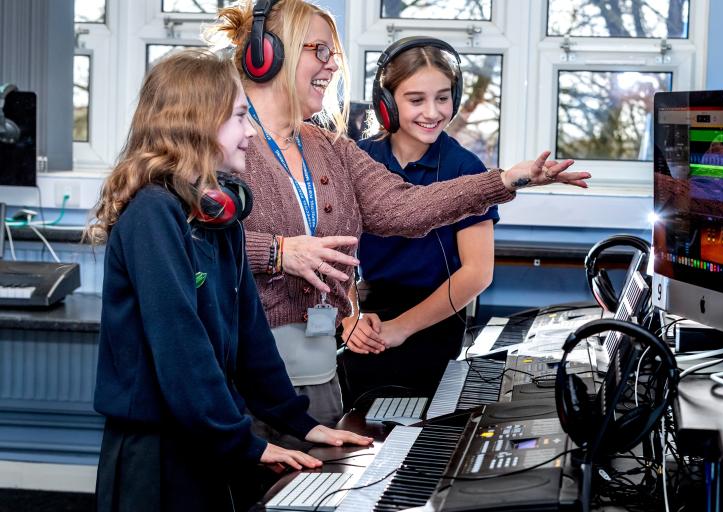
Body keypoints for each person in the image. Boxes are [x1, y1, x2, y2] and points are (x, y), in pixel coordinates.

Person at [210, 0, 590, 445]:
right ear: (268, 54)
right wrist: (277, 252)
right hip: (242, 381)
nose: (332, 66)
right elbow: (180, 238)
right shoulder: (218, 137)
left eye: (334, 54)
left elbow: (404, 209)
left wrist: (505, 180)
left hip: (320, 374)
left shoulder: (330, 147)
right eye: (320, 50)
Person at [87, 49, 371, 512]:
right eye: (240, 117)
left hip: (203, 440)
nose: (250, 132)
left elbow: (251, 337)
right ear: (198, 123)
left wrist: (297, 421)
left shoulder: (220, 219)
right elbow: (181, 346)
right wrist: (243, 440)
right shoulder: (154, 215)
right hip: (156, 454)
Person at [338, 38, 498, 405]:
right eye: (416, 100)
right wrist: (349, 317)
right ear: (387, 103)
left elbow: (477, 273)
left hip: (433, 319)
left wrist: (400, 329)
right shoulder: (357, 159)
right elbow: (336, 248)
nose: (433, 111)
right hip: (366, 311)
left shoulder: (465, 168)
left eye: (443, 98)